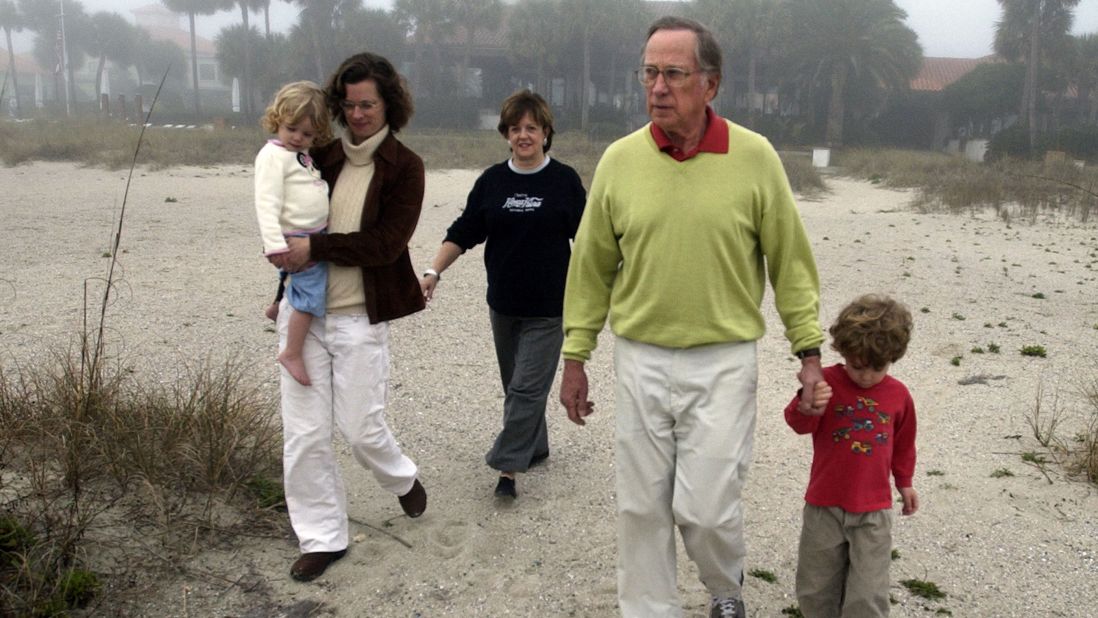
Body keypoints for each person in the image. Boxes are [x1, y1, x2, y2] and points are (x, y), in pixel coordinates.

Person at [559, 16, 826, 618]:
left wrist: (809, 354)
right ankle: (649, 609)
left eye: (674, 74)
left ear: (711, 84)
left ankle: (723, 586)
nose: (658, 87)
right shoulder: (619, 161)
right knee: (640, 506)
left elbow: (790, 262)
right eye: (649, 73)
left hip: (724, 360)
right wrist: (575, 357)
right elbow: (592, 267)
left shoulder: (755, 157)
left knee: (706, 508)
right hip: (640, 357)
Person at [271, 52, 428, 583]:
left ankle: (402, 479)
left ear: (389, 105)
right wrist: (281, 284)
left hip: (361, 316)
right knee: (306, 436)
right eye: (350, 104)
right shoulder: (319, 156)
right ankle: (322, 537)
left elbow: (386, 244)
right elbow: (291, 224)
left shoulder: (406, 168)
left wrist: (315, 248)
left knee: (361, 430)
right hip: (304, 316)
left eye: (369, 104)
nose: (358, 114)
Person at [420, 90, 585, 500]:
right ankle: (537, 445)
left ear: (546, 133)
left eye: (532, 128)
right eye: (516, 128)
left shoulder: (563, 181)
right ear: (506, 134)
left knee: (526, 390)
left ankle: (508, 468)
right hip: (504, 305)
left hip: (550, 308)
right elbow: (464, 231)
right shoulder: (493, 182)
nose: (524, 135)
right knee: (516, 384)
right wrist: (432, 270)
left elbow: (588, 240)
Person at [784, 294, 918, 617]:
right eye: (858, 366)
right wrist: (808, 401)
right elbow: (797, 423)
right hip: (823, 506)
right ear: (843, 352)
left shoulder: (898, 395)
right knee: (815, 587)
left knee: (868, 593)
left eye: (878, 367)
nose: (867, 376)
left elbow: (903, 442)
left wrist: (905, 482)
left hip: (873, 512)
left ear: (893, 358)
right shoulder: (825, 382)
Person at [255, 80, 333, 387]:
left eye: (307, 134)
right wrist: (274, 245)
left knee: (296, 278)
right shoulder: (273, 156)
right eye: (292, 129)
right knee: (313, 291)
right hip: (294, 236)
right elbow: (266, 202)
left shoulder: (300, 155)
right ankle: (292, 351)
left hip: (311, 230)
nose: (298, 138)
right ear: (277, 120)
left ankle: (276, 306)